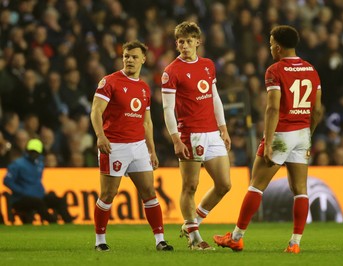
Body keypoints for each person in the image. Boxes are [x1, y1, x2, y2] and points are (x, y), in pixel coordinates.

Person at [213, 25, 323, 253]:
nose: (270, 47)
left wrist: (270, 140)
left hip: (282, 133)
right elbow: (318, 111)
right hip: (302, 133)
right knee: (300, 189)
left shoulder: (275, 70)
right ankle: (294, 244)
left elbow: (273, 108)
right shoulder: (311, 70)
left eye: (271, 43)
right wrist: (308, 137)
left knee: (256, 186)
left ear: (278, 46)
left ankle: (236, 237)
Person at [90, 40, 173, 252]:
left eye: (134, 57)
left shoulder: (144, 87)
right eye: (126, 56)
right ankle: (100, 240)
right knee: (108, 194)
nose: (129, 60)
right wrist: (100, 136)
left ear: (143, 60)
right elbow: (96, 111)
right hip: (114, 145)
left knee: (149, 192)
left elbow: (147, 122)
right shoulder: (109, 82)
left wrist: (151, 150)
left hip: (138, 147)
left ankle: (160, 240)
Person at [161, 21, 231, 250]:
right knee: (190, 186)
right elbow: (167, 109)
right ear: (176, 43)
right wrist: (175, 138)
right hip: (190, 134)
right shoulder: (171, 71)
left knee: (224, 184)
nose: (184, 45)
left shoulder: (208, 65)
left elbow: (214, 97)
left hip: (212, 132)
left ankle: (192, 223)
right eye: (180, 41)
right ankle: (194, 238)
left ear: (197, 42)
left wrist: (223, 127)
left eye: (189, 41)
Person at [3, 138, 73, 224]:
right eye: (32, 151)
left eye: (35, 152)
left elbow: (36, 181)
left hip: (38, 196)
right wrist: (21, 191)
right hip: (20, 199)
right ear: (27, 151)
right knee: (38, 203)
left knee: (59, 200)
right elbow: (7, 181)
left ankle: (69, 221)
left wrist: (41, 191)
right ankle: (53, 221)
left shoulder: (39, 164)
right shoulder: (17, 164)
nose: (34, 154)